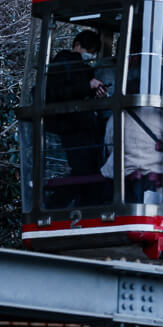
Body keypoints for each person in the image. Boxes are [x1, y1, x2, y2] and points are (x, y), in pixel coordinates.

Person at [45, 30, 109, 204]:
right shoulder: (65, 62)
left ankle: (67, 205)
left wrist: (96, 92)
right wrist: (87, 86)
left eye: (93, 53)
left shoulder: (83, 67)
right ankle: (55, 206)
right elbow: (56, 93)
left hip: (79, 126)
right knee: (83, 171)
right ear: (77, 45)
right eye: (88, 50)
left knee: (87, 171)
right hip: (70, 126)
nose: (90, 56)